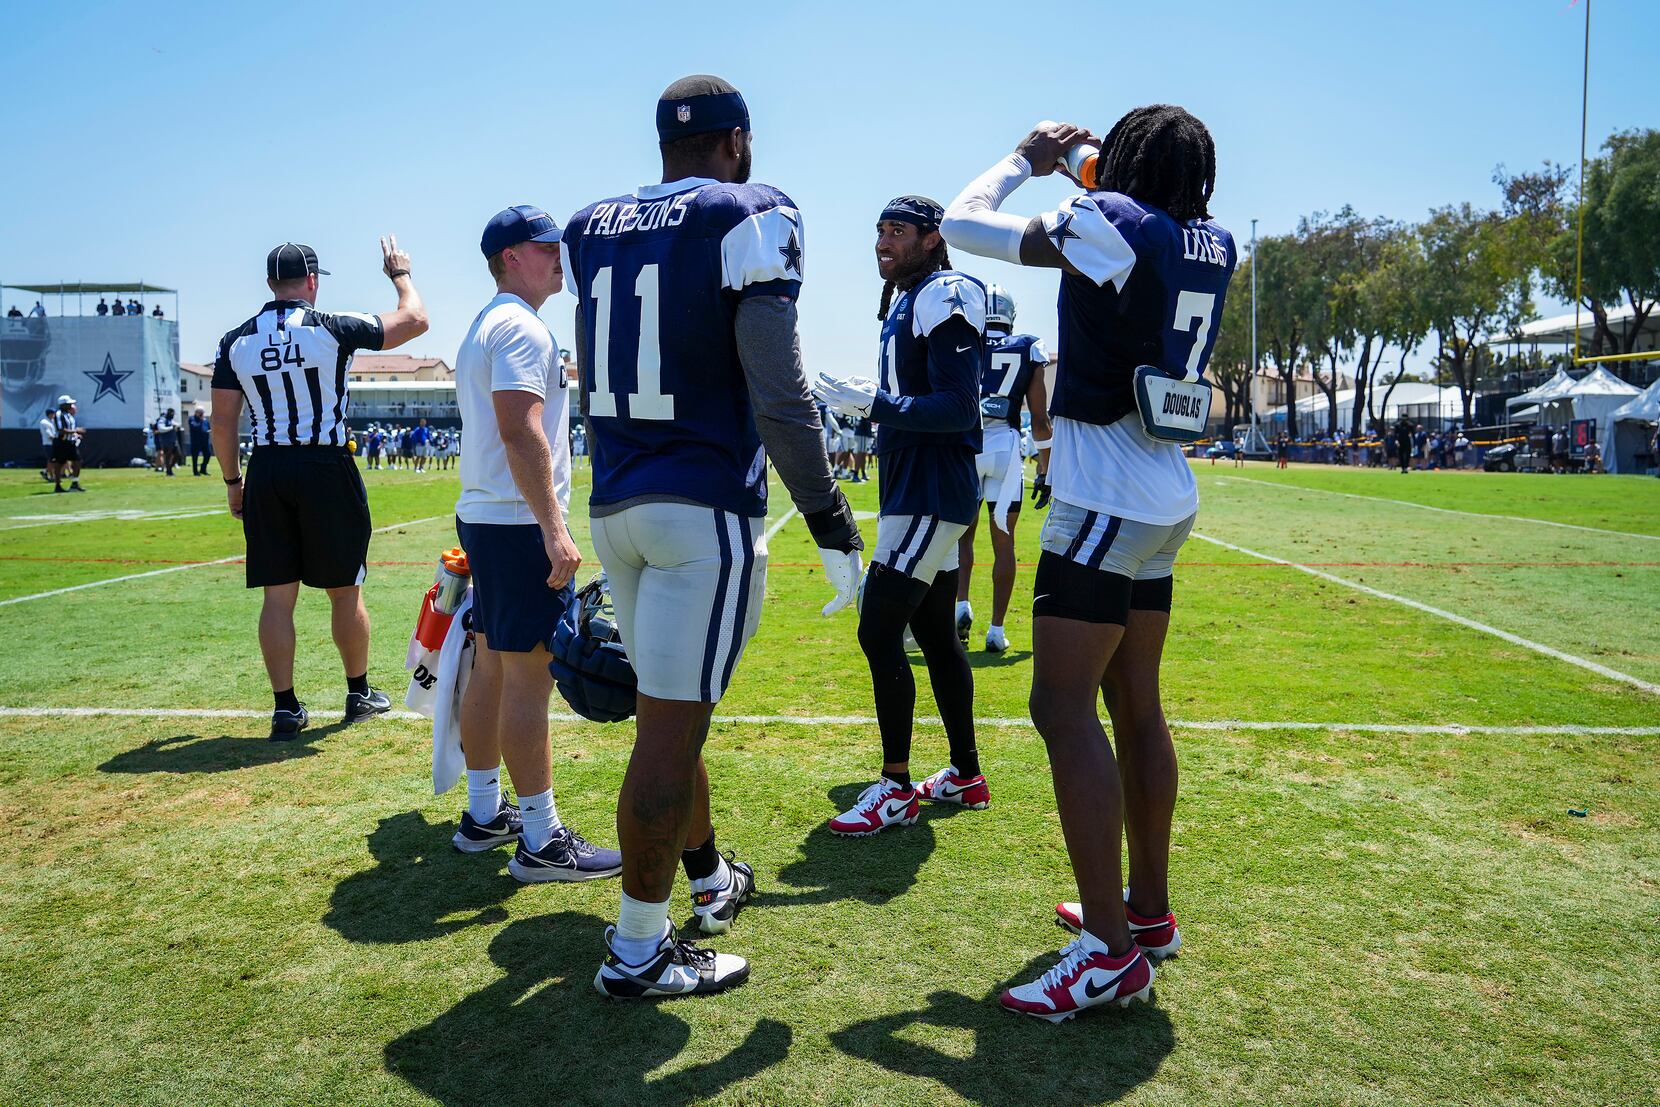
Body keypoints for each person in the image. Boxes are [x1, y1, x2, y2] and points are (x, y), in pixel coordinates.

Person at [562, 74, 862, 999]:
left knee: (668, 717)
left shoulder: (589, 224)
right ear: (737, 141)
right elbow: (779, 391)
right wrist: (832, 520)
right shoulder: (749, 212)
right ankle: (639, 950)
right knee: (667, 732)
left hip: (615, 501)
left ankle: (707, 877)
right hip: (702, 508)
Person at [942, 106, 1234, 1021]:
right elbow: (1122, 212)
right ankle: (1146, 912)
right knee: (1134, 701)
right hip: (1164, 491)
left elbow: (959, 223)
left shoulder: (1110, 222)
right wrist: (1081, 168)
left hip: (1104, 490)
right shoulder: (1208, 239)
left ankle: (1109, 950)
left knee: (1059, 705)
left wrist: (1025, 160)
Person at [451, 204, 622, 880]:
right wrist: (555, 527)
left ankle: (485, 811)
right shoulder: (519, 326)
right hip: (515, 522)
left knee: (495, 665)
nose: (560, 257)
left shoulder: (492, 322)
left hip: (490, 516)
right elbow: (521, 431)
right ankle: (542, 839)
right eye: (546, 247)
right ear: (511, 256)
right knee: (527, 675)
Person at [210, 237, 428, 741]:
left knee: (277, 596)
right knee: (345, 591)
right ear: (312, 282)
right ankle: (358, 693)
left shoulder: (235, 340)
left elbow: (223, 423)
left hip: (267, 466)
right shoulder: (331, 326)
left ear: (270, 285)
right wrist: (399, 274)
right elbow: (415, 320)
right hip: (326, 464)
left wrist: (232, 481)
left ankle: (285, 707)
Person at [817, 194, 987, 837]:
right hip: (916, 489)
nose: (884, 241)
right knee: (938, 636)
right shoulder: (909, 299)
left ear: (933, 236)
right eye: (879, 230)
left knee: (877, 630)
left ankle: (896, 788)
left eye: (899, 231)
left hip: (930, 491)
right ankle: (966, 774)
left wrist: (876, 405)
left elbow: (955, 408)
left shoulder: (946, 293)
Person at [953, 283, 1051, 654]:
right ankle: (996, 630)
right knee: (1004, 543)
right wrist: (1045, 470)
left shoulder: (963, 341)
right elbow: (1040, 421)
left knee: (962, 537)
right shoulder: (1028, 346)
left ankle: (961, 604)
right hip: (1006, 451)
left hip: (967, 446)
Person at [50, 395, 84, 492]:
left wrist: (75, 434)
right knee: (59, 463)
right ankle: (57, 485)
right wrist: (75, 430)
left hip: (70, 442)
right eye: (69, 404)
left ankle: (75, 483)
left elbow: (70, 430)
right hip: (61, 442)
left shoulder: (69, 416)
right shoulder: (58, 414)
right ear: (63, 405)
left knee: (77, 461)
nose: (71, 405)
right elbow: (60, 430)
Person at [154, 407, 180, 475]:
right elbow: (161, 429)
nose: (173, 415)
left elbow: (176, 424)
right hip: (166, 441)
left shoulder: (171, 420)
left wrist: (176, 426)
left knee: (178, 455)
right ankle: (169, 471)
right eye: (172, 414)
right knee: (168, 457)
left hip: (174, 441)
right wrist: (171, 427)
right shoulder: (162, 419)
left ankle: (169, 468)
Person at [38, 404, 59, 484]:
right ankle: (51, 476)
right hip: (48, 444)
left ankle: (46, 472)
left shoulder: (52, 421)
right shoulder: (44, 422)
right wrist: (58, 440)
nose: (54, 415)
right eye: (53, 414)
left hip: (53, 444)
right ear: (50, 414)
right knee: (51, 460)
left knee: (53, 460)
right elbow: (49, 435)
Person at [189, 408, 212, 475]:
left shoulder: (205, 420)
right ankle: (195, 472)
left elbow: (208, 428)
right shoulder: (192, 419)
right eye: (200, 412)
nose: (202, 414)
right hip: (196, 441)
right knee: (195, 457)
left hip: (205, 441)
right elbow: (195, 427)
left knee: (207, 455)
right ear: (196, 412)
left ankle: (203, 469)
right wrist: (200, 421)